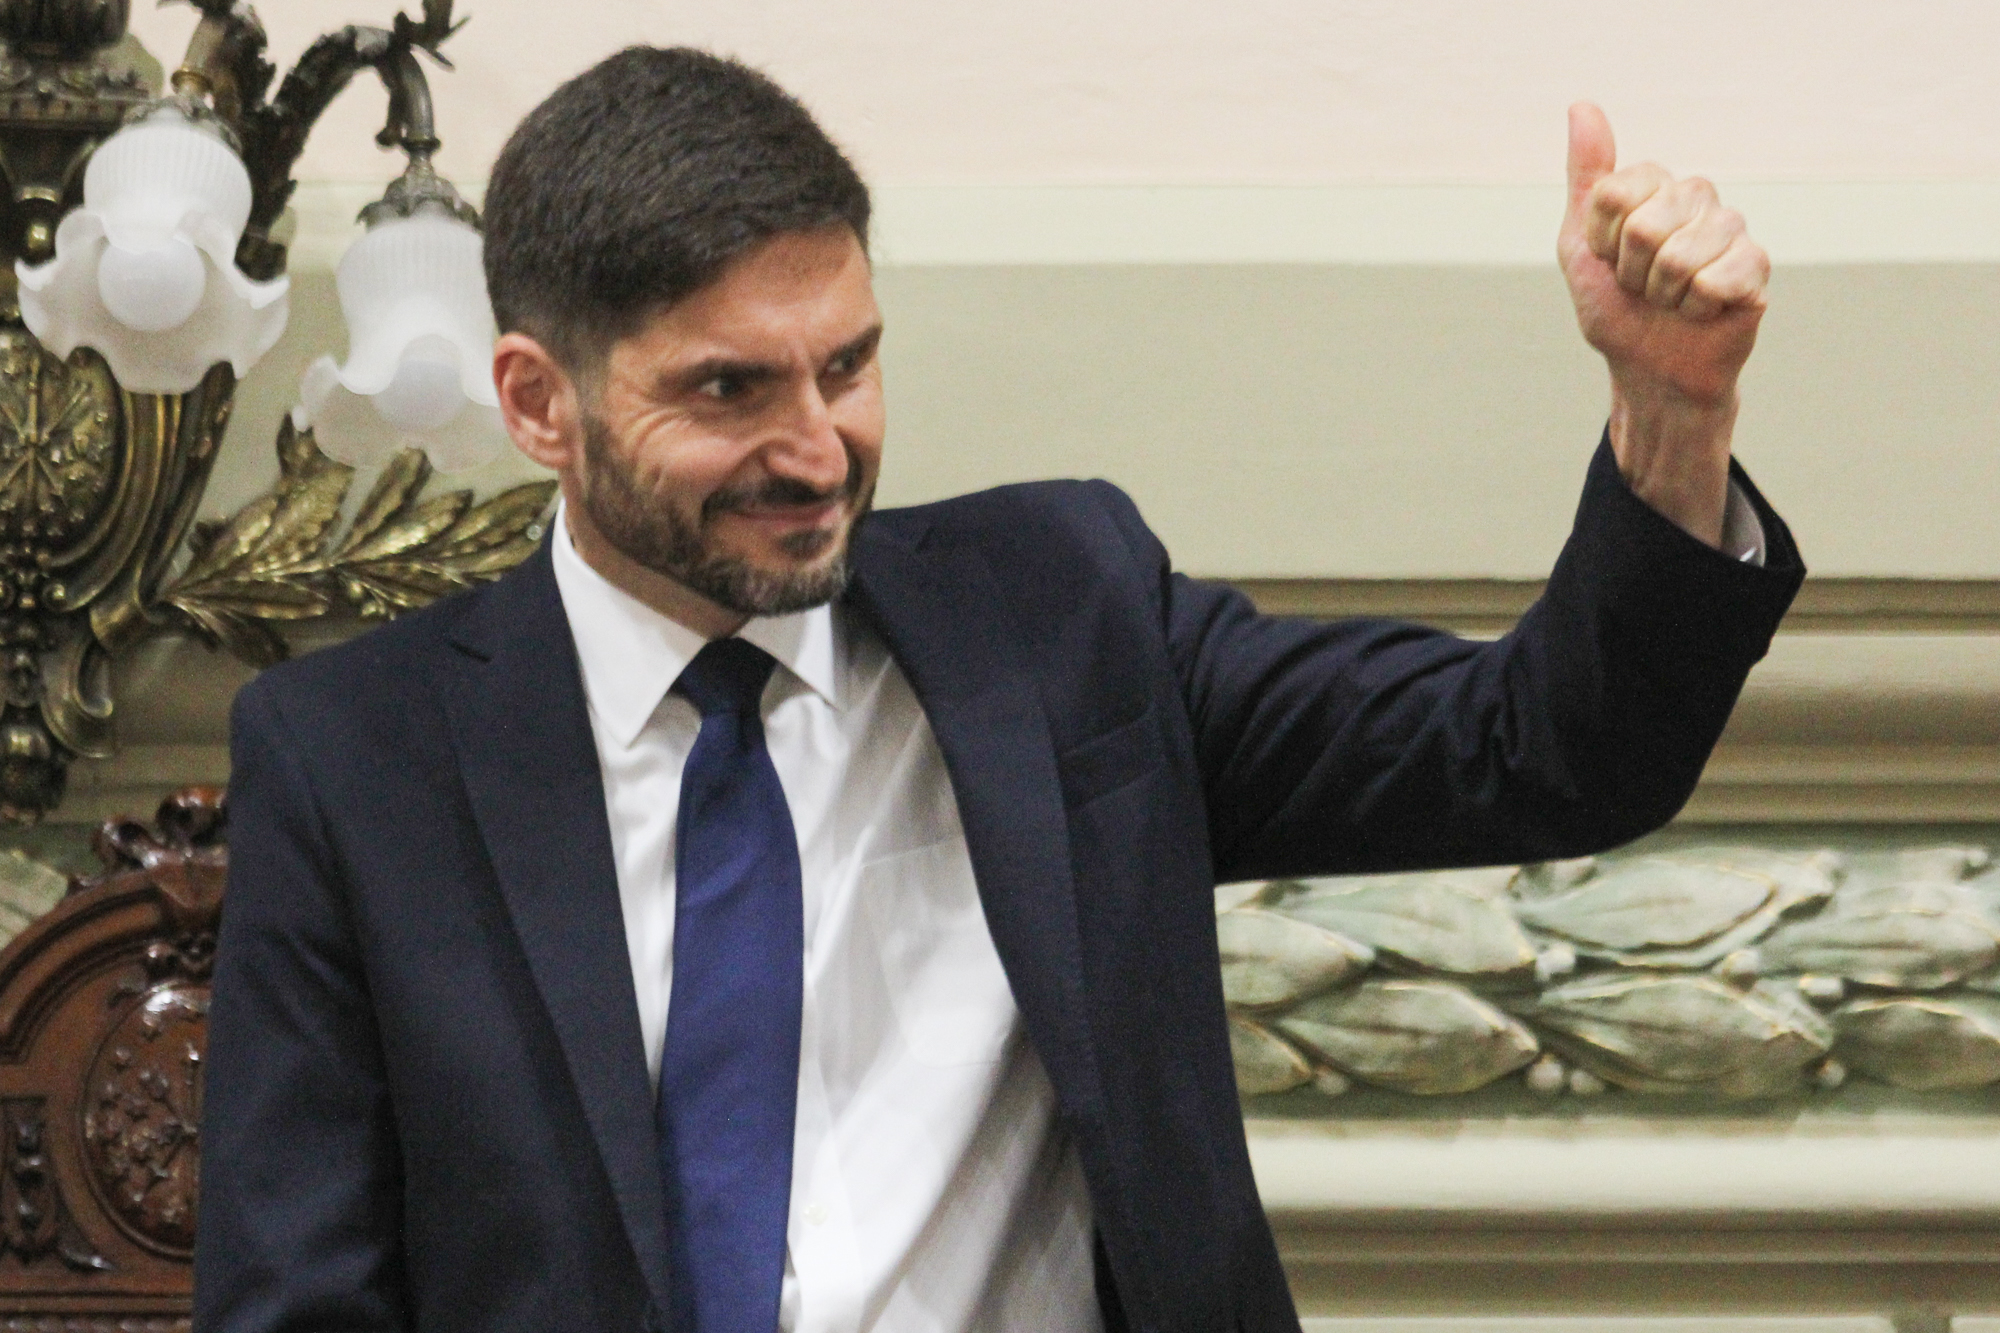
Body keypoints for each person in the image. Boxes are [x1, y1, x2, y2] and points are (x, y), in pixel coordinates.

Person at [193, 45, 1803, 1333]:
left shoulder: (1060, 614)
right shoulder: (357, 760)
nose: (818, 450)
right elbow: (294, 1301)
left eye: (847, 364)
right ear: (541, 404)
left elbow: (1542, 749)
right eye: (729, 390)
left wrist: (1672, 412)